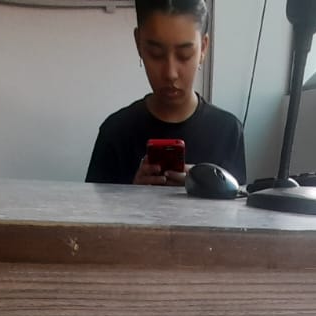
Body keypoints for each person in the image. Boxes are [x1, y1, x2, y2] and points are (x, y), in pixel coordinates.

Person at [86, 0, 246, 187]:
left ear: (203, 48)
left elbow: (237, 204)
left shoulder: (228, 132)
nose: (170, 73)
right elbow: (93, 206)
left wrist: (205, 189)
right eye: (156, 54)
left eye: (184, 55)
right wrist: (131, 194)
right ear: (138, 44)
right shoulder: (115, 133)